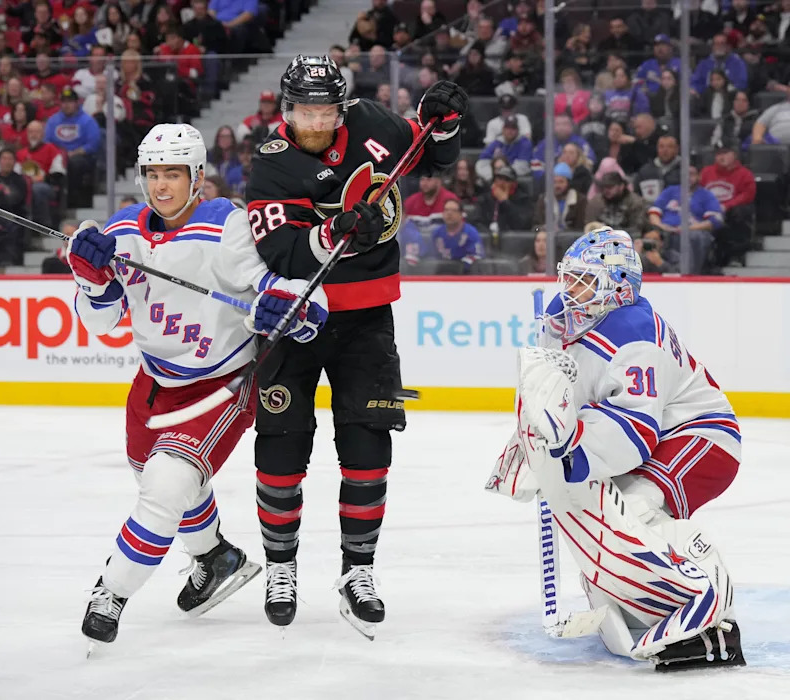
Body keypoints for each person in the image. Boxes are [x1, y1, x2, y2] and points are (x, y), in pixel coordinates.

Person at [74, 123, 328, 652]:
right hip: (152, 384)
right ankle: (216, 558)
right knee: (159, 479)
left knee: (164, 492)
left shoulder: (226, 226)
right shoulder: (122, 230)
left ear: (198, 176)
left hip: (218, 389)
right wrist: (90, 281)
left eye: (173, 173)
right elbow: (99, 323)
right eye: (152, 174)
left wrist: (293, 307)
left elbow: (283, 290)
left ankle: (110, 595)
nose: (161, 186)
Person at [244, 55, 468, 636]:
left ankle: (358, 571)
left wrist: (441, 124)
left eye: (324, 109)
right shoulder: (270, 163)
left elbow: (432, 158)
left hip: (368, 320)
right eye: (302, 110)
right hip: (294, 323)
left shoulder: (374, 124)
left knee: (368, 449)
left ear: (340, 107)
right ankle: (280, 567)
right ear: (285, 110)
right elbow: (281, 254)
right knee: (281, 449)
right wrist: (328, 234)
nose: (313, 122)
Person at [486, 228, 743, 670]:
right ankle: (636, 600)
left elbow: (635, 431)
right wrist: (534, 446)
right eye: (569, 277)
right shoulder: (562, 317)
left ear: (618, 288)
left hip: (702, 437)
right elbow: (548, 390)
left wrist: (569, 448)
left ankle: (712, 619)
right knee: (600, 510)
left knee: (636, 507)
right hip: (659, 436)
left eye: (584, 280)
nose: (570, 289)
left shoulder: (634, 333)